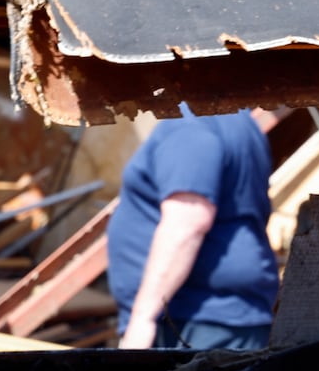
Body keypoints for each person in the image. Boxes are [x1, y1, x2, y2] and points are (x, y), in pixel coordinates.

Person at [107, 104, 279, 350]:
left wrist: (142, 318)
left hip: (192, 322)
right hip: (217, 319)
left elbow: (187, 221)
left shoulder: (190, 124)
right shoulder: (238, 121)